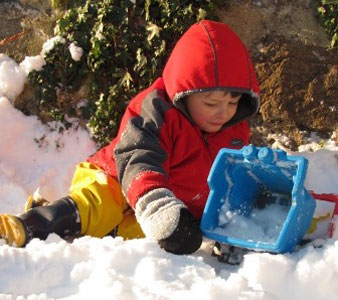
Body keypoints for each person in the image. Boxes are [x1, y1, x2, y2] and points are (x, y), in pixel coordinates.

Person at [0, 20, 260, 254]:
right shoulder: (156, 111)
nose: (223, 113)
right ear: (184, 92)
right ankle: (28, 225)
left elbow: (231, 178)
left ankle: (68, 219)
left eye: (234, 101)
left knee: (134, 236)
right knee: (100, 207)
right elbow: (139, 156)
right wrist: (156, 206)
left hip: (159, 208)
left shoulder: (235, 129)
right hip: (117, 179)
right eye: (211, 103)